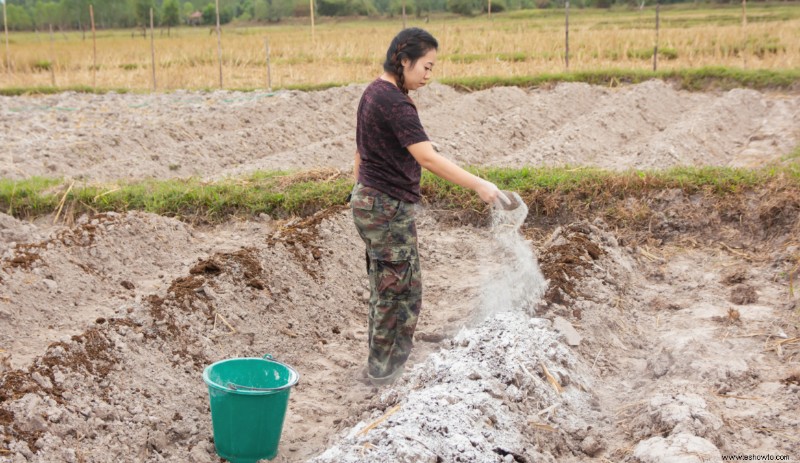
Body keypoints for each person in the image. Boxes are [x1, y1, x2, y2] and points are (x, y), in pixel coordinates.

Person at [351, 27, 509, 386]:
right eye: (426, 66)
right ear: (403, 59)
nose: (428, 75)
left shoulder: (373, 93)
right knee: (402, 293)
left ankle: (379, 366)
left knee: (385, 286)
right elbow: (428, 160)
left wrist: (359, 190)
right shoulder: (396, 102)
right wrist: (479, 184)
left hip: (369, 201)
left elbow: (363, 150)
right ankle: (385, 374)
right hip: (386, 208)